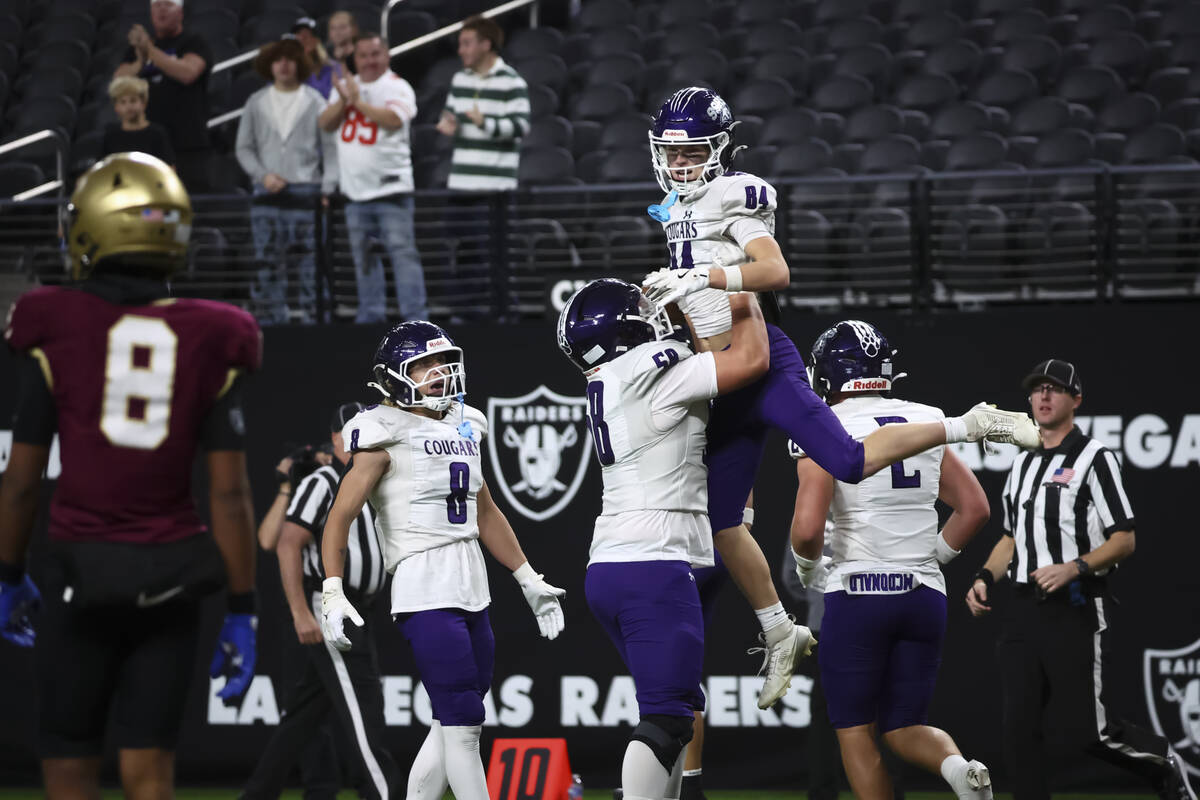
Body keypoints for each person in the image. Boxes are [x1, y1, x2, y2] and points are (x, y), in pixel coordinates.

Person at [640, 86, 1044, 709]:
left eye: (694, 151)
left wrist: (706, 275)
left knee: (848, 460)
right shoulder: (674, 208)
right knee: (721, 520)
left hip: (763, 362)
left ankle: (971, 424)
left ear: (720, 150)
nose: (682, 163)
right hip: (718, 374)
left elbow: (775, 271)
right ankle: (781, 629)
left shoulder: (733, 194)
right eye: (673, 151)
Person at [0, 152, 259, 798]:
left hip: (77, 576)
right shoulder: (212, 334)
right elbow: (229, 495)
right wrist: (242, 609)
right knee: (150, 777)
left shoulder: (52, 322)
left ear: (90, 228)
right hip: (169, 583)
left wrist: (5, 574)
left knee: (69, 769)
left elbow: (20, 482)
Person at [320, 321, 566, 800]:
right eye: (423, 365)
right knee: (464, 723)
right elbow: (339, 517)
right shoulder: (380, 430)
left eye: (442, 362)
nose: (438, 373)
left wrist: (528, 578)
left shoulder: (465, 422)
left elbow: (486, 510)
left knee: (454, 717)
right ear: (393, 376)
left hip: (471, 578)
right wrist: (333, 589)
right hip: (423, 579)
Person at [557, 279, 773, 800]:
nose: (655, 315)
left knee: (675, 713)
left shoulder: (616, 375)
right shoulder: (650, 369)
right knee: (669, 721)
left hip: (616, 563)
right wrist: (742, 291)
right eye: (644, 311)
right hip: (653, 565)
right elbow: (752, 358)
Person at [966, 359, 1196, 800]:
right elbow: (1011, 539)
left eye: (1055, 389)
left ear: (1076, 400)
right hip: (1021, 610)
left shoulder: (1096, 458)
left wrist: (1075, 566)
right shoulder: (1021, 465)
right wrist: (983, 577)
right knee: (1018, 730)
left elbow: (1124, 539)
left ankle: (1162, 762)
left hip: (1073, 604)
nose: (1044, 397)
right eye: (1038, 389)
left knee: (1086, 732)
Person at [790, 320, 994, 800]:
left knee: (854, 729)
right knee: (906, 726)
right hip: (922, 596)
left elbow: (805, 529)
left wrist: (808, 571)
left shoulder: (824, 425)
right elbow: (975, 508)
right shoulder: (924, 417)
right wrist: (934, 559)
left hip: (858, 592)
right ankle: (959, 770)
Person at [243, 402, 400, 800]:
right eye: (351, 429)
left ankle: (256, 795)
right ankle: (386, 794)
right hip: (331, 607)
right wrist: (301, 612)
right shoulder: (323, 481)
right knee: (364, 709)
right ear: (334, 440)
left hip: (361, 608)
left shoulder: (376, 479)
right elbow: (286, 544)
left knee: (304, 715)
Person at [319, 34, 426, 324]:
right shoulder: (345, 87)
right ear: (356, 59)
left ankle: (416, 321)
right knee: (364, 260)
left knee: (403, 257)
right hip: (355, 193)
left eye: (375, 54)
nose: (370, 61)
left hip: (391, 190)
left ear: (387, 55)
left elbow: (393, 119)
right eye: (364, 55)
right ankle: (370, 319)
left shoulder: (396, 85)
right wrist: (344, 101)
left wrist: (358, 102)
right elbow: (325, 124)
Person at [236, 35, 336, 326]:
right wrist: (262, 175)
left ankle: (316, 323)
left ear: (299, 64)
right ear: (270, 65)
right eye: (278, 59)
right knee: (267, 266)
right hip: (266, 195)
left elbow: (330, 149)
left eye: (290, 59)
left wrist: (328, 188)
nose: (284, 65)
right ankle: (269, 325)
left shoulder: (315, 101)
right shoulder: (255, 102)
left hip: (307, 194)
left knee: (312, 267)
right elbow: (243, 147)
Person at [114, 0, 213, 192]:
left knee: (187, 205)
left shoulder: (193, 42)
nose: (161, 10)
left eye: (167, 5)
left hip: (187, 144)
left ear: (180, 12)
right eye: (156, 6)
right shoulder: (137, 50)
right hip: (148, 143)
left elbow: (188, 73)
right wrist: (141, 61)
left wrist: (150, 50)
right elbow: (119, 81)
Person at [436, 14, 530, 191]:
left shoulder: (512, 82)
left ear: (486, 45)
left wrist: (485, 123)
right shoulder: (459, 79)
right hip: (459, 184)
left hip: (496, 188)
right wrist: (448, 124)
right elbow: (448, 115)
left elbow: (521, 126)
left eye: (466, 44)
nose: (460, 50)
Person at [102, 76, 175, 164]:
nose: (128, 107)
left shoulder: (157, 133)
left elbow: (168, 170)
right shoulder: (110, 134)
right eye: (123, 102)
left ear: (143, 103)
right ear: (116, 107)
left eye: (133, 101)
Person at [293, 16, 344, 100]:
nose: (302, 38)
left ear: (317, 40)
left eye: (307, 34)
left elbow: (337, 95)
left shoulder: (333, 68)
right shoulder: (289, 67)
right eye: (298, 34)